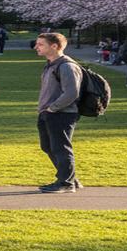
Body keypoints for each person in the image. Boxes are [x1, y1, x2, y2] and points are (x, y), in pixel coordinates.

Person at [33, 32, 82, 193]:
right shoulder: (51, 65)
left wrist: (52, 108)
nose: (36, 47)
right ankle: (69, 178)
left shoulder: (67, 66)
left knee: (61, 148)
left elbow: (71, 93)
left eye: (41, 44)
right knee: (48, 146)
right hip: (48, 113)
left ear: (54, 46)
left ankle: (66, 183)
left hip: (62, 113)